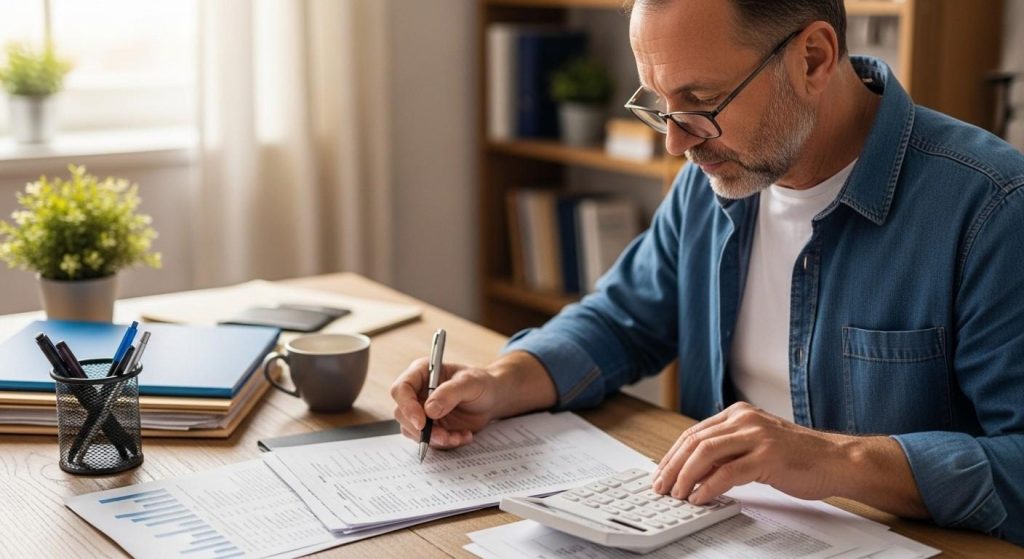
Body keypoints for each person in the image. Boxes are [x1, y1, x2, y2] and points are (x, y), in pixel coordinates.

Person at [391, 0, 1024, 544]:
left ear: (812, 58)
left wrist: (833, 458)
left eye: (699, 100)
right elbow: (620, 321)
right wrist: (501, 381)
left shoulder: (991, 208)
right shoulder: (715, 178)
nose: (675, 142)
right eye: (660, 104)